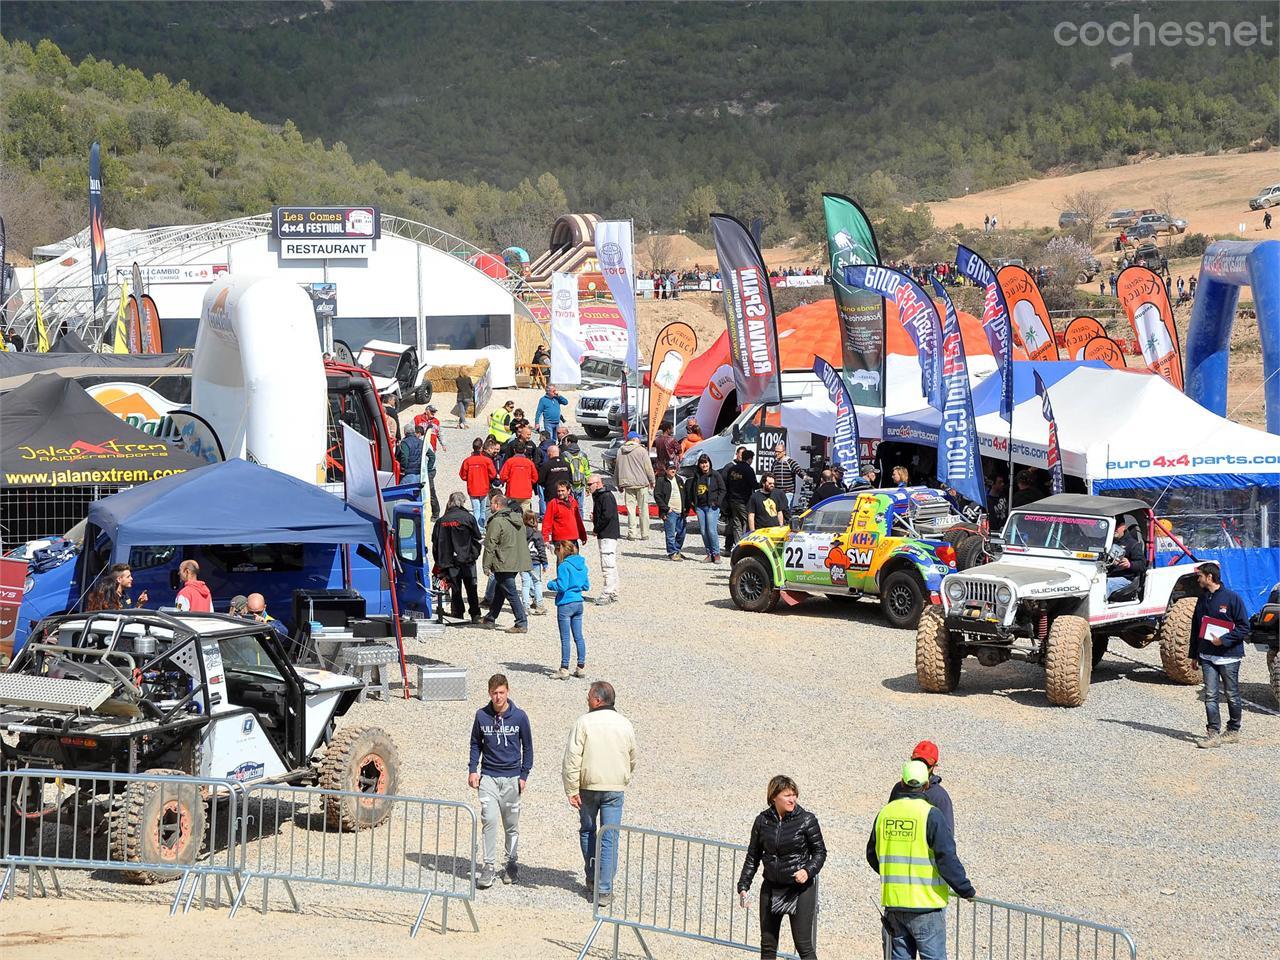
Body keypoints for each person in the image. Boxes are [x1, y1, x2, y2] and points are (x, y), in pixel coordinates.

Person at [869, 761, 975, 960]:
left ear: (902, 782)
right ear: (926, 784)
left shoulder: (885, 813)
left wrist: (893, 874)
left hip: (894, 903)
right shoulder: (930, 814)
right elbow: (946, 858)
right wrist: (965, 889)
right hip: (926, 905)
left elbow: (872, 855)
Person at [561, 681, 638, 905]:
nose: (586, 700)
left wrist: (571, 788)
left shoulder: (584, 722)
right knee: (610, 837)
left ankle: (593, 879)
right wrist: (624, 777)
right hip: (614, 786)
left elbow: (572, 758)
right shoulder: (625, 724)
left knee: (588, 830)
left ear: (597, 700)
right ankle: (604, 889)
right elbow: (632, 757)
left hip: (588, 786)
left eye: (588, 697)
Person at [736, 775, 826, 960]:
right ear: (774, 797)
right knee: (767, 945)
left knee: (803, 945)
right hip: (771, 886)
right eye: (787, 795)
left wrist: (808, 871)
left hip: (800, 889)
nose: (792, 799)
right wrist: (743, 886)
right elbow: (753, 855)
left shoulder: (807, 820)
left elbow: (820, 852)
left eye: (794, 795)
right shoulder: (762, 821)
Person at [468, 674, 533, 888]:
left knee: (511, 824)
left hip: (512, 778)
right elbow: (475, 744)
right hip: (489, 777)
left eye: (501, 693)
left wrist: (524, 775)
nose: (498, 697)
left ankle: (511, 862)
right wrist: (473, 770)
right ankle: (488, 866)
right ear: (489, 693)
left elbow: (528, 747)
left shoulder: (520, 717)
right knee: (489, 819)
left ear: (508, 692)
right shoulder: (481, 716)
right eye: (494, 693)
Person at [1190, 563, 1250, 748]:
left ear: (1209, 577)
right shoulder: (1202, 599)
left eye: (1200, 576)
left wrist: (1223, 640)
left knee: (1231, 694)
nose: (1198, 579)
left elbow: (1244, 627)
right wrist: (1194, 654)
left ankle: (1233, 730)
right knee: (1210, 695)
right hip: (1207, 656)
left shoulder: (1232, 599)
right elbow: (1195, 628)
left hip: (1229, 657)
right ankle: (1213, 733)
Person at [481, 494, 530, 633]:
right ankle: (490, 618)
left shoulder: (497, 521)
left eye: (491, 503)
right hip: (515, 561)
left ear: (497, 505)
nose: (490, 506)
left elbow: (490, 544)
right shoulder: (516, 518)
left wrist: (486, 565)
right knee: (500, 590)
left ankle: (521, 622)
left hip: (504, 561)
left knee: (511, 592)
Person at [433, 492, 484, 622]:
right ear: (462, 502)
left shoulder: (441, 521)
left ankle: (458, 612)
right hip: (467, 557)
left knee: (455, 587)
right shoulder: (468, 517)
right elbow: (478, 536)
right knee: (471, 586)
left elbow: (435, 541)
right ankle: (475, 613)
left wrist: (439, 561)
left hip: (449, 559)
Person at [887, 740, 954, 832]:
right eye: (917, 761)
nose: (921, 766)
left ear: (934, 766)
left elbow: (947, 836)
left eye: (926, 764)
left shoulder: (940, 797)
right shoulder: (898, 788)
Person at [547, 540, 590, 679]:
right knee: (579, 636)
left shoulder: (563, 566)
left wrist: (551, 584)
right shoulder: (582, 565)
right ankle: (581, 666)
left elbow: (562, 586)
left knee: (565, 638)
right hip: (578, 602)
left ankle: (564, 668)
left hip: (565, 604)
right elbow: (586, 586)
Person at [614, 431, 655, 541]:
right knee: (643, 509)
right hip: (641, 483)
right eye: (639, 438)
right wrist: (652, 480)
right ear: (635, 439)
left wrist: (618, 483)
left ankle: (632, 533)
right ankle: (644, 533)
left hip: (627, 484)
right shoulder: (642, 451)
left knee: (630, 510)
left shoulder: (620, 451)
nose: (640, 440)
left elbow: (617, 468)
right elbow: (648, 467)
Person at [587, 474, 620, 604]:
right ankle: (614, 592)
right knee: (611, 564)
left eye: (590, 484)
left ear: (598, 483)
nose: (588, 487)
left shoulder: (605, 496)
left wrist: (596, 528)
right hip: (606, 534)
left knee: (607, 565)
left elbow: (607, 516)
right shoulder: (601, 496)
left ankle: (607, 592)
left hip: (607, 534)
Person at [686, 453, 725, 563]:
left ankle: (716, 554)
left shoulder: (715, 474)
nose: (704, 465)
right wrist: (693, 502)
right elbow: (692, 489)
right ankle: (709, 554)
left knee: (711, 531)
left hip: (711, 507)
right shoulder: (697, 476)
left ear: (709, 463)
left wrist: (717, 502)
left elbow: (723, 490)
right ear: (699, 465)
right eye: (702, 463)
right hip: (700, 507)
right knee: (703, 531)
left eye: (706, 463)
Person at [722, 447, 758, 554]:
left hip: (732, 500)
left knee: (736, 523)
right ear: (750, 459)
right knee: (747, 521)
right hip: (743, 500)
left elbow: (727, 483)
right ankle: (746, 545)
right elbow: (754, 485)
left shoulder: (733, 469)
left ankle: (738, 546)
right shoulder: (748, 470)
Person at [654, 462, 690, 561]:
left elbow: (685, 495)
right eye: (670, 468)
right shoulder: (661, 481)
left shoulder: (679, 480)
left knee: (682, 532)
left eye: (674, 468)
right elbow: (657, 496)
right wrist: (665, 509)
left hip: (680, 511)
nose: (673, 470)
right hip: (670, 511)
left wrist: (686, 508)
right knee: (670, 534)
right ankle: (672, 552)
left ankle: (677, 550)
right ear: (666, 470)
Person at [1105, 515, 1147, 599]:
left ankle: (1097, 608)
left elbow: (1142, 565)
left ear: (1123, 526)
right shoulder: (1105, 541)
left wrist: (1129, 564)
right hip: (1104, 574)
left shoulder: (1133, 544)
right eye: (1111, 526)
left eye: (1116, 526)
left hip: (1125, 578)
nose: (1114, 529)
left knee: (1104, 584)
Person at [461, 437, 499, 527]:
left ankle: (477, 528)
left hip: (472, 487)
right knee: (483, 509)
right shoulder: (486, 460)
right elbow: (493, 474)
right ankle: (482, 527)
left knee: (476, 509)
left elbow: (463, 475)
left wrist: (470, 478)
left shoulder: (467, 461)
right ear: (481, 447)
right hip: (484, 487)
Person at [542, 480, 588, 554]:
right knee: (562, 564)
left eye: (562, 491)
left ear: (569, 491)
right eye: (558, 491)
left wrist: (583, 536)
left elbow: (578, 521)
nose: (560, 493)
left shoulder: (574, 502)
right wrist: (545, 539)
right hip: (560, 540)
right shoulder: (553, 503)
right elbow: (547, 522)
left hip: (573, 539)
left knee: (574, 562)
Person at [521, 510, 548, 617]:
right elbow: (541, 549)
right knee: (537, 582)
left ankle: (525, 607)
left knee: (525, 584)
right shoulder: (537, 534)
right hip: (535, 561)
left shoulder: (520, 533)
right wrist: (544, 562)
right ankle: (539, 605)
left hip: (523, 561)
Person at [499, 445, 539, 514]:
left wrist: (509, 480)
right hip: (526, 492)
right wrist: (528, 482)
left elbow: (503, 476)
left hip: (512, 492)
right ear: (525, 451)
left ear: (514, 450)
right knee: (525, 514)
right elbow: (535, 478)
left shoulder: (510, 462)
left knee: (511, 513)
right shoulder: (529, 463)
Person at [538, 444, 573, 513]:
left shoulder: (546, 465)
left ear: (549, 454)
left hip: (551, 494)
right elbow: (570, 479)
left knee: (552, 515)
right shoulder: (566, 464)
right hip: (565, 494)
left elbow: (540, 480)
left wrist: (547, 485)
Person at [563, 434, 591, 515]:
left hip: (569, 485)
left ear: (569, 442)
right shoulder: (583, 455)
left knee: (569, 507)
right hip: (581, 484)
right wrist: (588, 487)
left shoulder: (565, 455)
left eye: (566, 442)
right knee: (580, 507)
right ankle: (580, 525)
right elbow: (587, 472)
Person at [771, 443, 803, 508]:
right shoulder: (775, 463)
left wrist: (805, 477)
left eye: (779, 452)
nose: (776, 453)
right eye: (775, 451)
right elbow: (772, 476)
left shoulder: (790, 462)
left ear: (784, 452)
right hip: (777, 492)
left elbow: (799, 471)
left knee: (786, 509)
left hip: (788, 492)